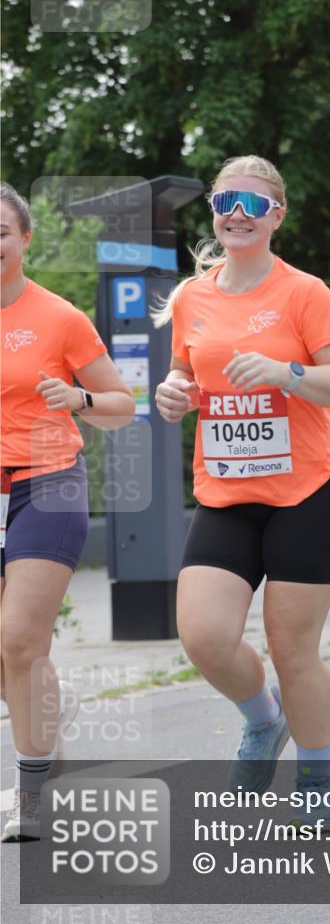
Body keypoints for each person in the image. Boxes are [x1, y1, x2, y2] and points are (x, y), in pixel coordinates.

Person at [154, 155, 330, 823]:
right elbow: (183, 379)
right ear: (213, 213)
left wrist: (286, 372)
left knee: (292, 647)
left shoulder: (304, 292)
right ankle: (261, 718)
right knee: (203, 636)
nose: (237, 215)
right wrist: (171, 396)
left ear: (276, 214)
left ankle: (315, 779)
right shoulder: (192, 296)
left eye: (251, 202)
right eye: (225, 203)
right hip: (225, 490)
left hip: (306, 487)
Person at [0, 183, 135, 840]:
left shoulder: (58, 318)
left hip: (47, 482)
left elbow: (122, 404)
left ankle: (31, 800)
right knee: (8, 658)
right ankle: (51, 715)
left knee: (21, 639)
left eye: (2, 231)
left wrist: (77, 398)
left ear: (25, 239)